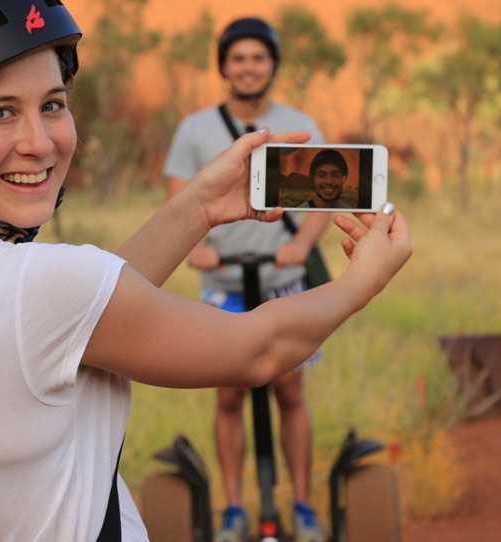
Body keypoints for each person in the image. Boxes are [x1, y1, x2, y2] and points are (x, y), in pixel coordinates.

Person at [0, 2, 412, 541]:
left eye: (52, 105)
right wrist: (362, 283)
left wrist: (199, 206)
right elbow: (257, 350)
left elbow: (84, 315)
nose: (40, 142)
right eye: (0, 113)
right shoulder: (35, 288)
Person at [164, 17, 333, 542]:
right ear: (224, 65)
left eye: (258, 57)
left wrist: (301, 246)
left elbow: (326, 196)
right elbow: (178, 197)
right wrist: (196, 250)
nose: (248, 67)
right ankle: (234, 510)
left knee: (289, 388)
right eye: (238, 58)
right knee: (230, 394)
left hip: (283, 278)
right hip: (226, 283)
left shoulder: (297, 123)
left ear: (272, 64)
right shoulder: (195, 130)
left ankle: (303, 507)